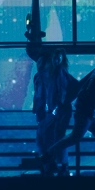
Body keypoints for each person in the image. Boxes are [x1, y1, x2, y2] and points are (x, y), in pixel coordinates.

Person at [25, 27, 73, 175]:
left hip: (56, 111)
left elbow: (60, 92)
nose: (39, 64)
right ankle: (55, 164)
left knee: (49, 137)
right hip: (52, 111)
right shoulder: (41, 76)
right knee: (52, 138)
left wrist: (55, 109)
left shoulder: (54, 74)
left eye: (42, 62)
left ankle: (53, 164)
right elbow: (41, 96)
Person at [63, 54, 95, 173]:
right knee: (74, 137)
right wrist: (94, 109)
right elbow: (92, 94)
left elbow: (87, 92)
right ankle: (49, 154)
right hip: (88, 113)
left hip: (90, 113)